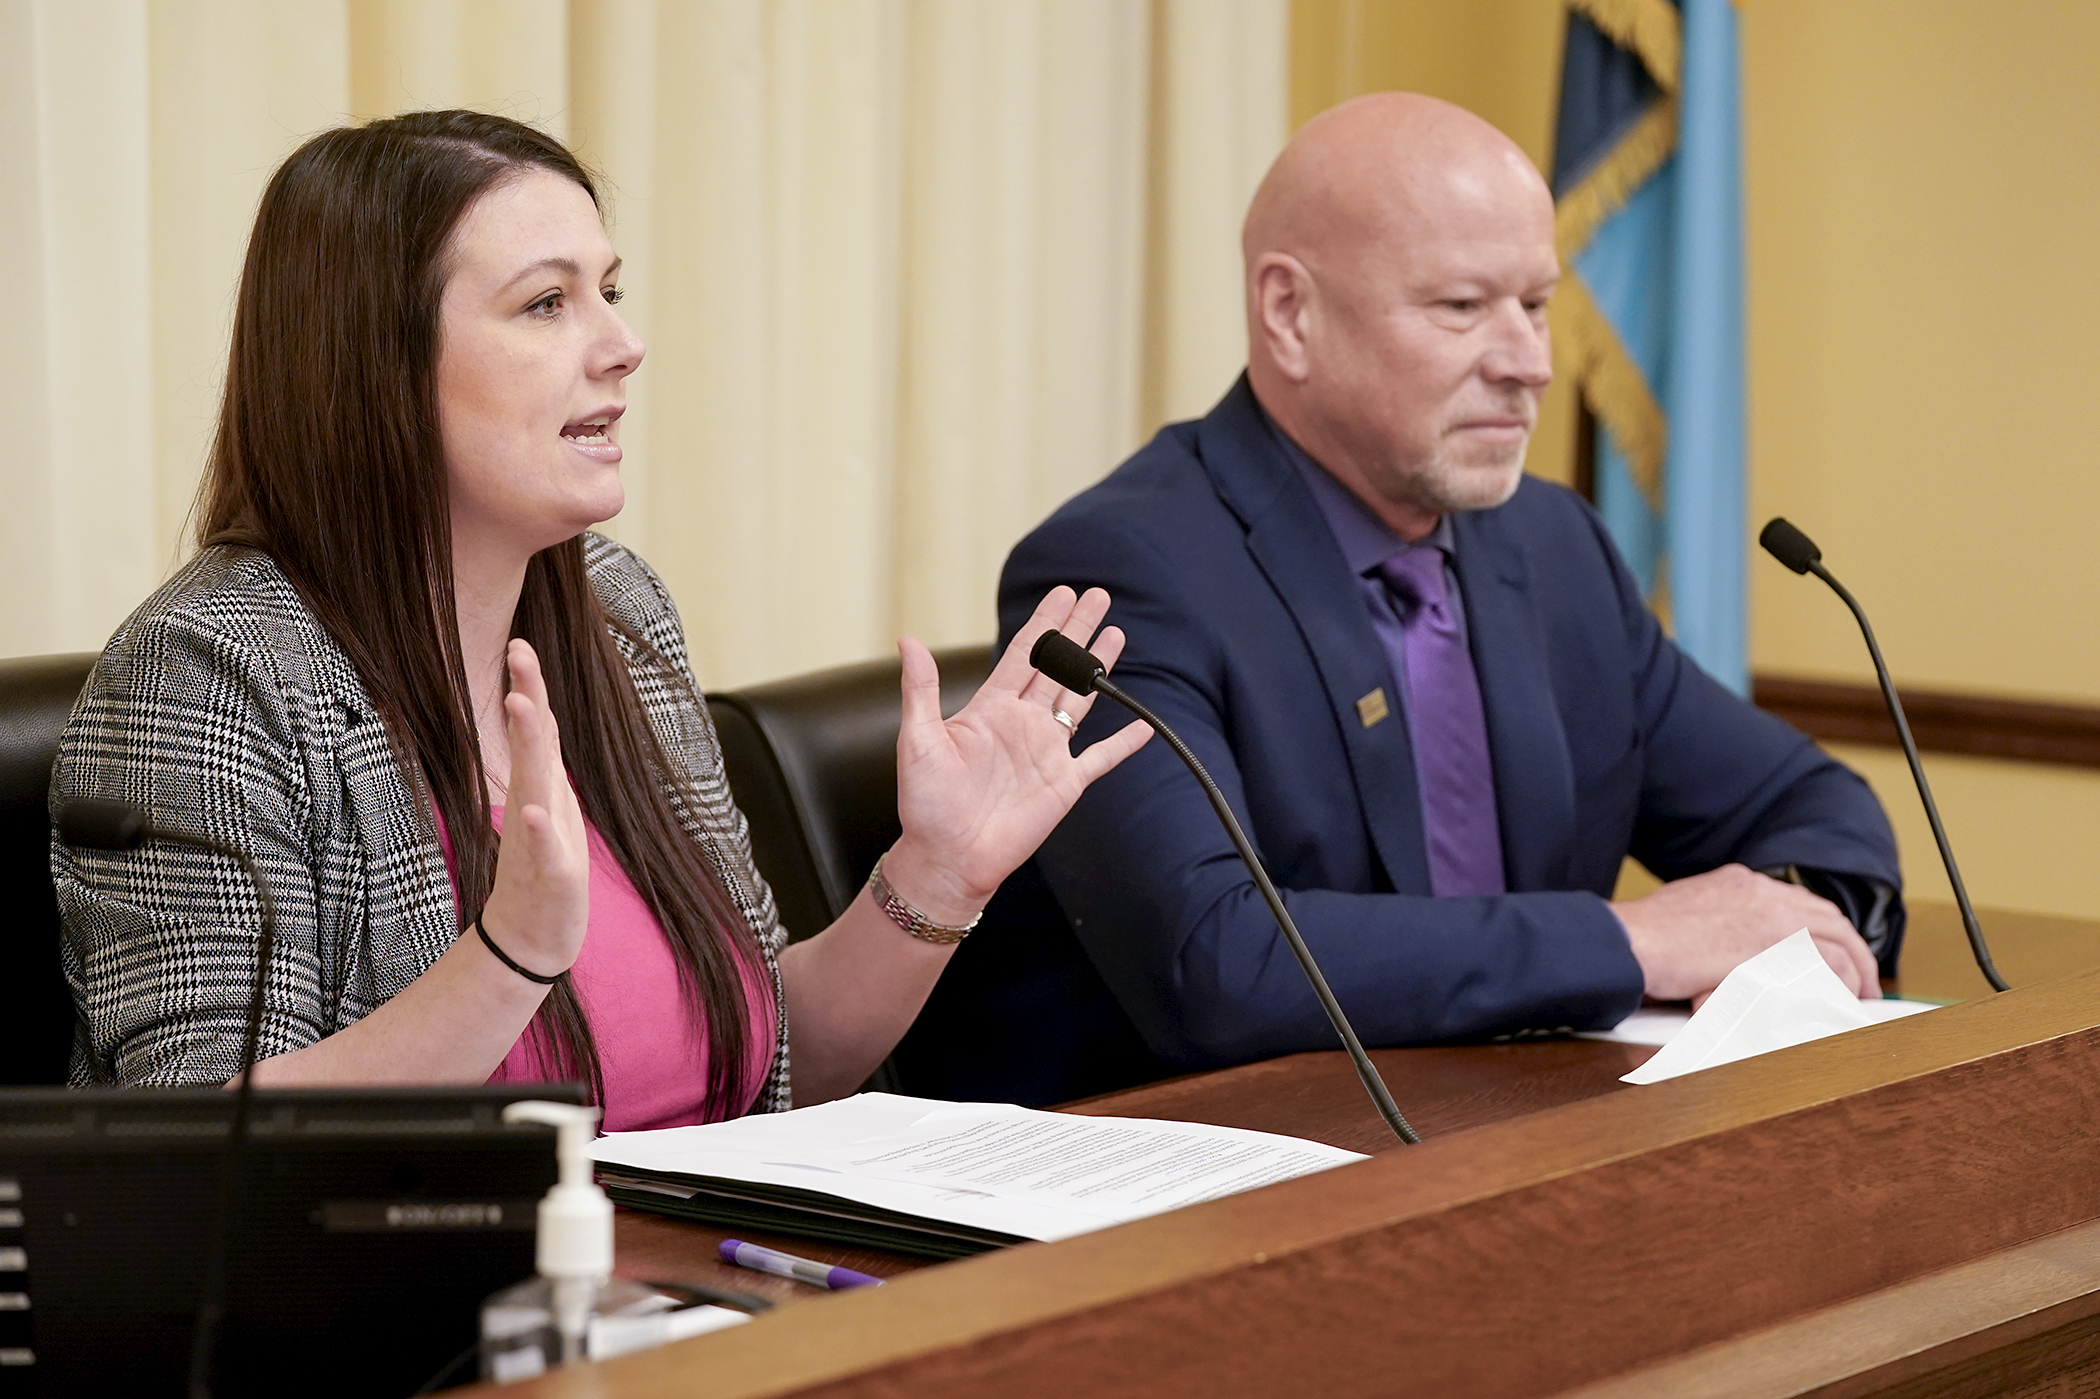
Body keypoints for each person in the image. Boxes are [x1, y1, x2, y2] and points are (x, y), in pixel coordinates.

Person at [51, 110, 1148, 1128]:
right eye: (546, 303)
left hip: (707, 1306)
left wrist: (936, 878)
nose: (621, 343)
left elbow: (769, 1078)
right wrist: (510, 955)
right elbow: (195, 1145)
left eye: (612, 291)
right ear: (376, 366)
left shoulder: (618, 612)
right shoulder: (206, 675)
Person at [997, 93, 1903, 1071]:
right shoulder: (1122, 572)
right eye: (1463, 307)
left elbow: (1814, 805)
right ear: (1290, 313)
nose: (1532, 364)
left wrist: (1787, 937)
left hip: (1523, 1137)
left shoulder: (1552, 545)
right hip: (1211, 1182)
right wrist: (1633, 944)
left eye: (1538, 305)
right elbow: (1216, 960)